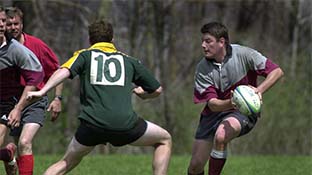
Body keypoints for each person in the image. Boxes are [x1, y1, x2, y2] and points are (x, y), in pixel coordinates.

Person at [27, 19, 172, 175]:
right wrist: (144, 95)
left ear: (90, 40)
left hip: (92, 125)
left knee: (65, 163)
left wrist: (42, 92)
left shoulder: (85, 55)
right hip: (124, 125)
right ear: (112, 39)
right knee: (164, 139)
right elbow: (157, 89)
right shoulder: (129, 61)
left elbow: (64, 70)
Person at [187, 22, 284, 175]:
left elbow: (276, 71)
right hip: (214, 113)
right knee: (195, 167)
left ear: (221, 42)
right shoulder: (202, 68)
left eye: (208, 41)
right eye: (202, 41)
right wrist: (233, 101)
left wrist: (258, 91)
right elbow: (212, 105)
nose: (203, 45)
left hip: (243, 111)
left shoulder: (245, 54)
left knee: (221, 135)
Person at [1, 7, 64, 175]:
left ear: (22, 25)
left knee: (25, 142)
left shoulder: (36, 46)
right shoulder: (5, 48)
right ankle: (10, 158)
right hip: (12, 102)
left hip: (34, 102)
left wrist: (57, 98)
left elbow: (57, 71)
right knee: (15, 148)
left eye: (16, 24)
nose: (13, 27)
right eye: (9, 24)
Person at [0, 6, 44, 175]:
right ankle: (6, 154)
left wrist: (18, 108)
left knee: (24, 143)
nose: (1, 25)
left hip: (8, 102)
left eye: (3, 21)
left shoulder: (15, 50)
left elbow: (37, 76)